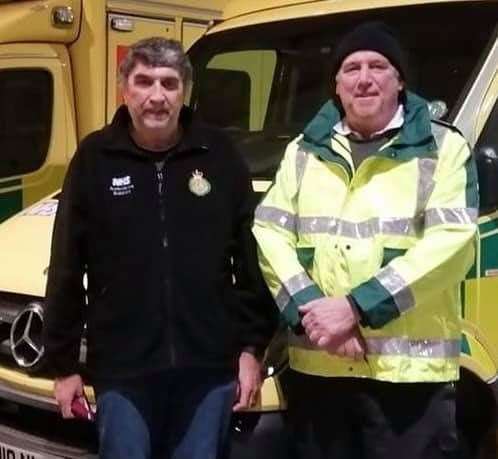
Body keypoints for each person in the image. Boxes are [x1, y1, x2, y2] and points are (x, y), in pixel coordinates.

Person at [43, 37, 277, 459]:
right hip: (123, 371)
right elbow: (65, 267)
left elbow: (251, 260)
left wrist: (251, 349)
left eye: (169, 83)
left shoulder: (219, 155)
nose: (156, 96)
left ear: (184, 90)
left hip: (208, 369)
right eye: (144, 81)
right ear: (124, 89)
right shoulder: (95, 158)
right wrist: (63, 367)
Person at [253, 21, 478, 459]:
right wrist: (316, 317)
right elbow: (269, 231)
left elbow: (451, 243)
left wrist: (354, 308)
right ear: (337, 85)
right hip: (321, 367)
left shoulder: (443, 148)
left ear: (400, 81)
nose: (364, 77)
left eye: (378, 65)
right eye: (351, 68)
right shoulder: (304, 149)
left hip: (409, 379)